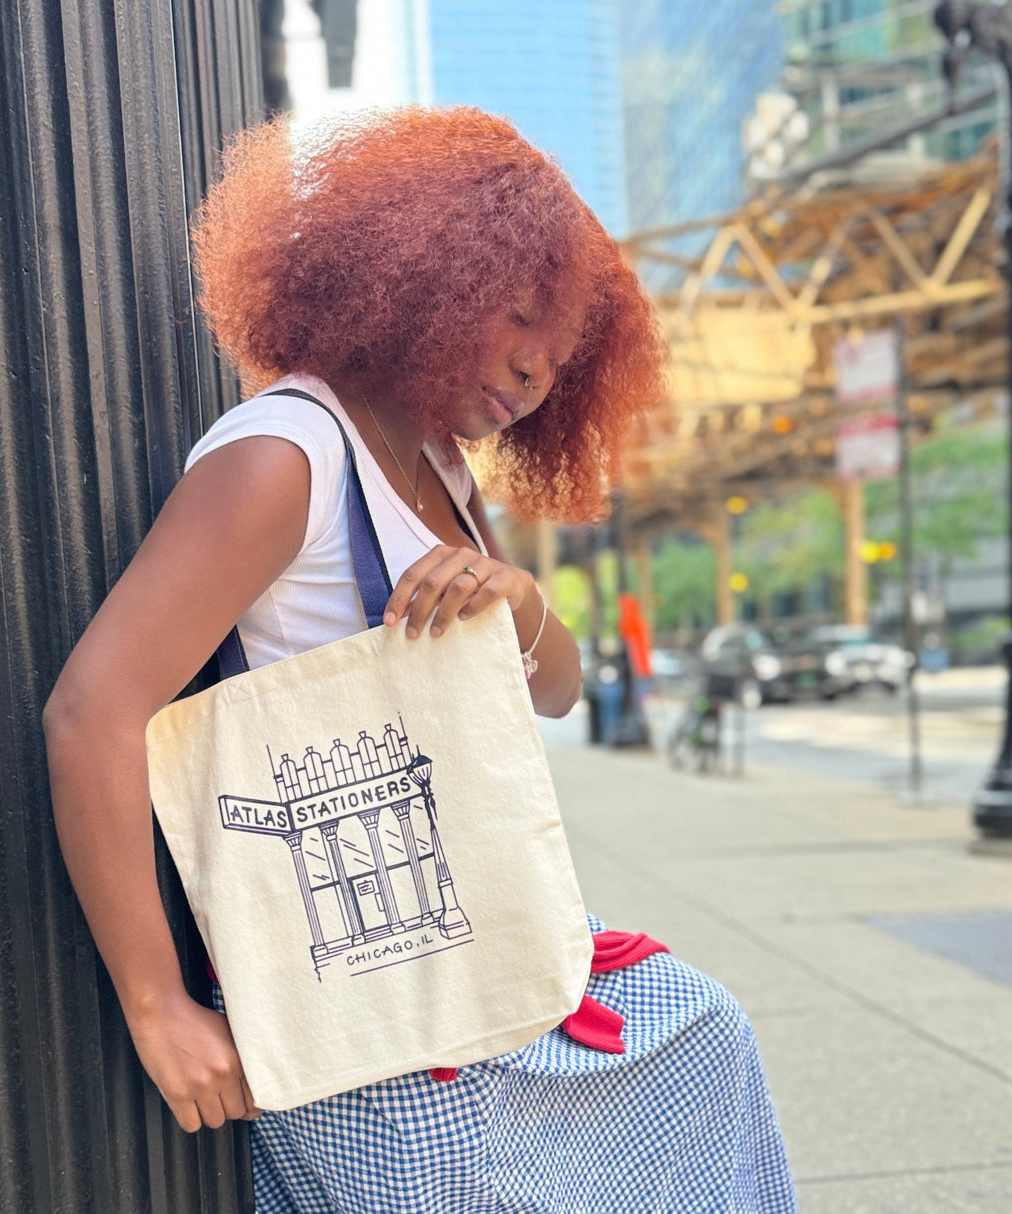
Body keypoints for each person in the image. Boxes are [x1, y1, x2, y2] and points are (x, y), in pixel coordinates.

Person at [44, 107, 796, 1214]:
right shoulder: (283, 457)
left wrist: (522, 598)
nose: (538, 369)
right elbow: (92, 710)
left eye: (565, 347)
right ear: (418, 277)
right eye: (520, 316)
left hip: (471, 935)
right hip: (360, 975)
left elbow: (556, 689)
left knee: (705, 1038)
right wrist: (158, 1005)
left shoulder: (443, 468)